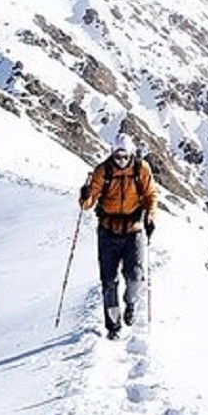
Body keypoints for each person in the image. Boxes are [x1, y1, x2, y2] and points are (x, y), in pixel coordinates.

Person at [79, 133, 158, 339]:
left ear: (131, 153)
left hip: (134, 229)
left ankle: (130, 302)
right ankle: (113, 327)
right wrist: (85, 196)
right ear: (111, 153)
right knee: (109, 281)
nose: (120, 160)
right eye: (117, 155)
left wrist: (150, 217)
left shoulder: (141, 170)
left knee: (135, 276)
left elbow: (150, 195)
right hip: (108, 231)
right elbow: (88, 204)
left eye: (124, 156)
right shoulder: (102, 172)